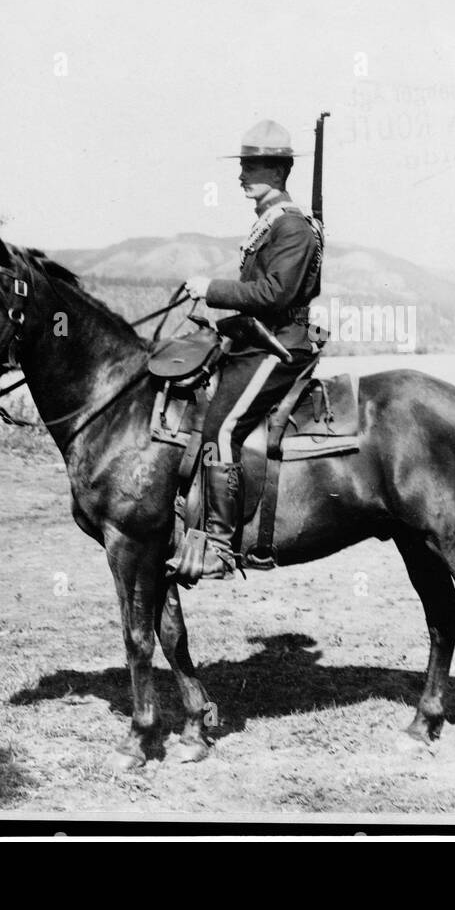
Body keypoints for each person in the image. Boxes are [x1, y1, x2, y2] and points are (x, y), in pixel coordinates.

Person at [176, 119, 324, 579]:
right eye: (242, 165)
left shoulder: (292, 227)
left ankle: (219, 544)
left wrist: (213, 289)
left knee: (222, 428)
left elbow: (276, 294)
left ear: (278, 172)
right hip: (258, 342)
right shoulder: (268, 225)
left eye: (251, 166)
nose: (241, 175)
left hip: (281, 348)